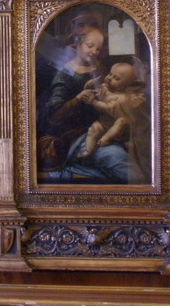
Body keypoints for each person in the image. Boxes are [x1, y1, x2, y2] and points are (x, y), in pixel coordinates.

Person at [37, 15, 144, 184]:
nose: (94, 52)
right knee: (123, 164)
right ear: (77, 44)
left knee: (137, 153)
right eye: (90, 46)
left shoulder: (100, 68)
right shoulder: (65, 74)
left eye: (98, 49)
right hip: (75, 137)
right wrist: (78, 98)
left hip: (105, 127)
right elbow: (53, 114)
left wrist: (130, 98)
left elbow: (115, 90)